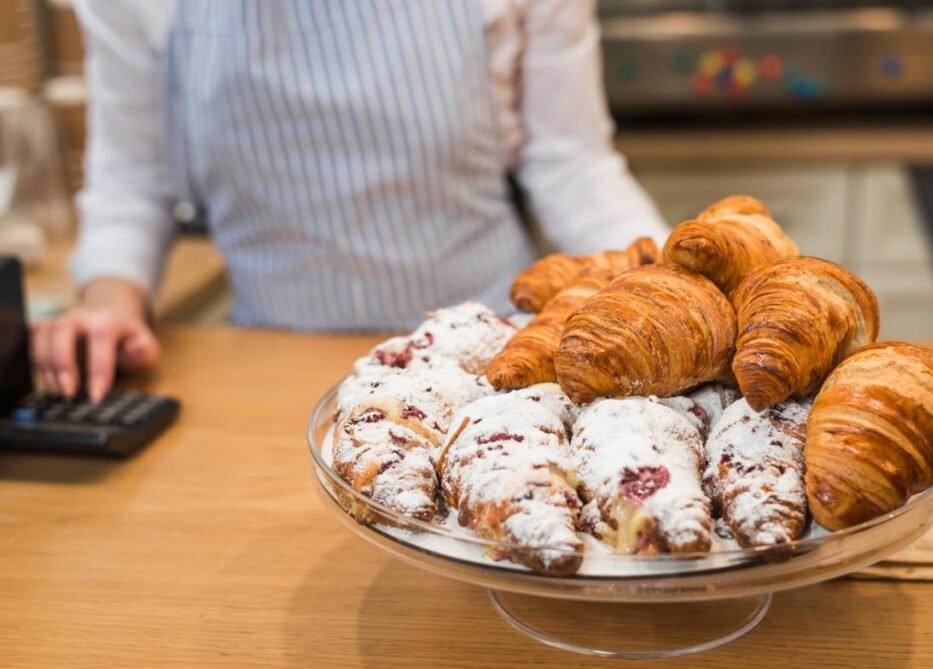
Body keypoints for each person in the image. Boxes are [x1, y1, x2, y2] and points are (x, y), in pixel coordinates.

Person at [33, 0, 668, 402]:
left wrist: (669, 288)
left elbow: (571, 166)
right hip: (263, 373)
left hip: (496, 365)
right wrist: (109, 304)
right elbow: (134, 180)